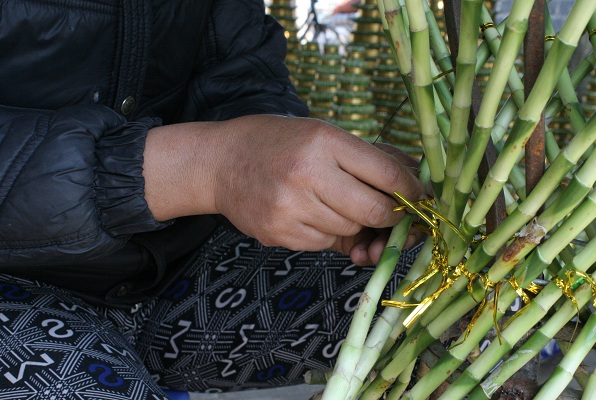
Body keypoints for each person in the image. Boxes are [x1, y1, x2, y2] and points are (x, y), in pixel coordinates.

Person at [0, 0, 424, 398]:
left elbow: (241, 77)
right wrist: (210, 167)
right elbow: (217, 163)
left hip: (177, 262)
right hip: (15, 280)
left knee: (437, 284)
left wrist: (297, 176)